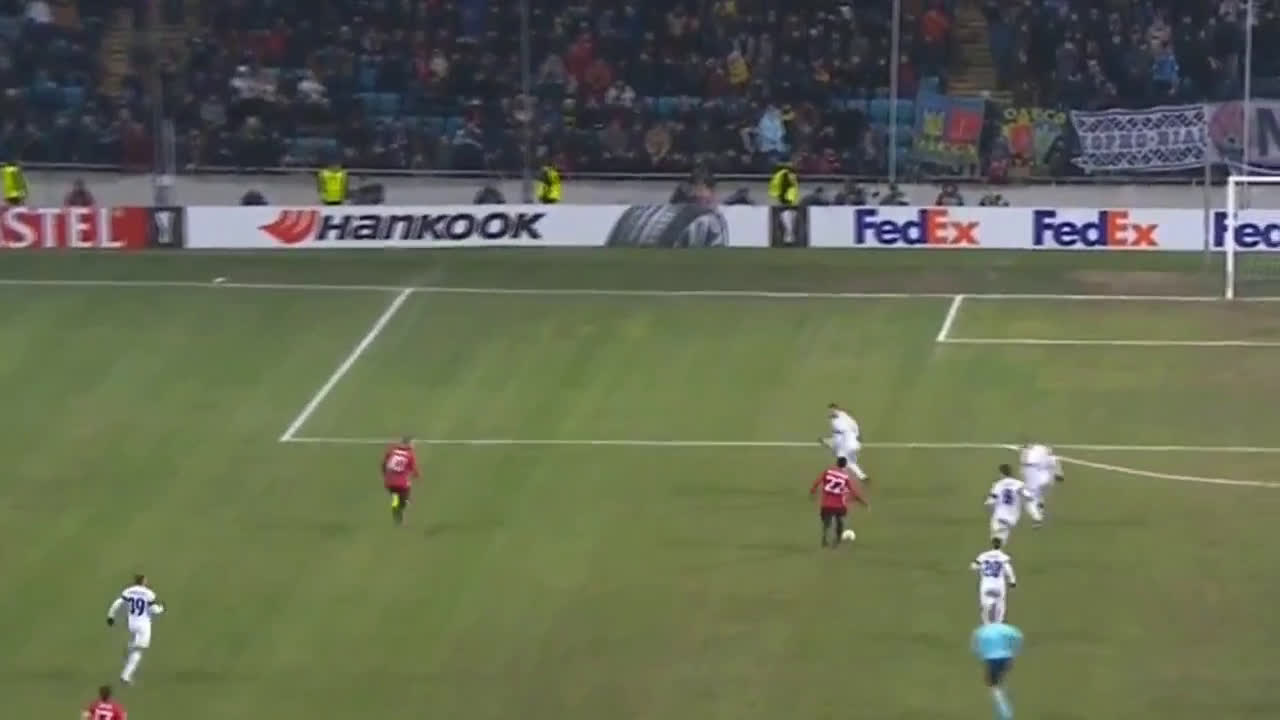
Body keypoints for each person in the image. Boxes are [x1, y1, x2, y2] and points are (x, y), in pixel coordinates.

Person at [105, 574, 165, 685]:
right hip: (143, 625)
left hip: (131, 623)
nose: (147, 582)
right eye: (146, 580)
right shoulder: (149, 593)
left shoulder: (128, 591)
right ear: (143, 582)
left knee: (136, 647)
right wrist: (162, 608)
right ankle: (125, 675)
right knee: (138, 650)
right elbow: (154, 610)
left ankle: (129, 652)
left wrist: (110, 616)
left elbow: (117, 603)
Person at [970, 613, 1023, 720]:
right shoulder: (1007, 628)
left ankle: (1004, 710)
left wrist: (979, 654)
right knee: (1000, 681)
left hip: (991, 659)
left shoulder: (983, 629)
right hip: (1007, 658)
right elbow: (1019, 636)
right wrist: (1015, 651)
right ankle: (1003, 704)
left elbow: (975, 644)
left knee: (993, 685)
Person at [809, 456, 868, 547]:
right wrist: (863, 502)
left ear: (837, 463)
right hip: (839, 505)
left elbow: (817, 481)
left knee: (827, 522)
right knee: (839, 521)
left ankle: (825, 538)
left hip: (826, 503)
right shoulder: (845, 477)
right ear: (845, 465)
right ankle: (837, 540)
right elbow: (853, 492)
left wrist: (812, 491)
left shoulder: (828, 472)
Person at [971, 537, 1017, 623]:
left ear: (992, 544)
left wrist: (982, 568)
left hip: (986, 585)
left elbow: (973, 567)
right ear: (1000, 545)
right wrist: (1012, 581)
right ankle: (999, 622)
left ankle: (986, 624)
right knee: (1000, 605)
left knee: (984, 606)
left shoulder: (983, 555)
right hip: (998, 586)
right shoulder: (1003, 557)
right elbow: (1008, 569)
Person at [819, 403, 868, 482]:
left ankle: (846, 478)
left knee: (845, 461)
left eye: (833, 410)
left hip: (846, 441)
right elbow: (836, 436)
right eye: (830, 410)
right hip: (842, 440)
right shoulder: (833, 418)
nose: (831, 412)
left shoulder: (843, 416)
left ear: (836, 409)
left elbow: (853, 424)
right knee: (849, 462)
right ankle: (862, 476)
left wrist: (857, 435)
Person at [1019, 442, 1064, 527]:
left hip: (1035, 480)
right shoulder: (1052, 458)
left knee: (1029, 500)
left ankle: (1037, 518)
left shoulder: (1032, 457)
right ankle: (1040, 507)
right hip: (1048, 481)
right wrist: (1059, 474)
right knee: (1040, 495)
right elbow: (1058, 472)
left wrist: (1024, 450)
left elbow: (1024, 463)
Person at [985, 464, 1031, 545]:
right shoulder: (1019, 484)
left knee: (995, 533)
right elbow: (1028, 496)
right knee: (1003, 537)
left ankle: (997, 537)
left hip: (999, 515)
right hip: (1013, 517)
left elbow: (992, 500)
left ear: (1001, 473)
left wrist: (987, 504)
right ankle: (1000, 539)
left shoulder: (998, 484)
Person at [382, 436, 420, 525]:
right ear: (408, 444)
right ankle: (405, 502)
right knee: (404, 496)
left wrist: (385, 474)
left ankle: (397, 514)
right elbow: (414, 470)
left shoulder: (392, 451)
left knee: (395, 498)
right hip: (402, 484)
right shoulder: (410, 455)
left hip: (390, 483)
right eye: (413, 444)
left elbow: (384, 464)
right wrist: (417, 476)